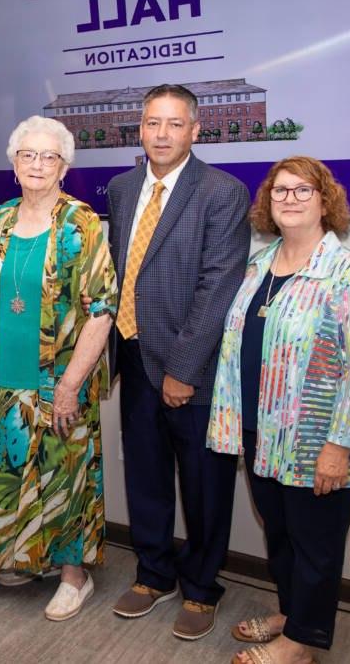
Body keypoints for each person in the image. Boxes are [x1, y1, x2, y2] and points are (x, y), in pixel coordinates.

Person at [207, 156, 350, 664]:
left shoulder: (349, 274)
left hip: (315, 441)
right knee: (280, 532)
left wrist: (339, 446)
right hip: (260, 432)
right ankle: (291, 612)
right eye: (280, 190)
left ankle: (302, 642)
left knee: (316, 543)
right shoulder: (258, 266)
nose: (289, 198)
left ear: (325, 201)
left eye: (302, 190)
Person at [105, 84, 251, 639]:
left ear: (195, 129)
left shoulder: (221, 192)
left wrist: (184, 370)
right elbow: (119, 273)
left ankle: (202, 587)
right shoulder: (121, 189)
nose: (160, 134)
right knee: (144, 474)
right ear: (139, 130)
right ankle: (153, 574)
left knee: (204, 485)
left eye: (172, 124)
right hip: (135, 354)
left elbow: (219, 287)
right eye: (151, 123)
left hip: (193, 370)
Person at [0, 115, 117, 622]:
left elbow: (102, 310)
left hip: (59, 378)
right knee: (12, 469)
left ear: (63, 167)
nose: (37, 164)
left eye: (48, 156)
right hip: (6, 377)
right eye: (27, 155)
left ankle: (75, 576)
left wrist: (72, 384)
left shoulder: (82, 223)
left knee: (63, 473)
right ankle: (28, 553)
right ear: (13, 165)